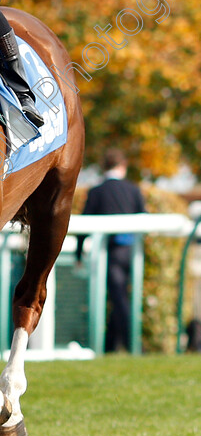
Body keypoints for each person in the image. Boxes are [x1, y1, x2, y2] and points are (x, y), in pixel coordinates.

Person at [76, 149, 145, 352]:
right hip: (132, 253)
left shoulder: (97, 191)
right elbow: (145, 218)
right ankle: (111, 346)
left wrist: (79, 254)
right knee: (120, 296)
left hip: (111, 254)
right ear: (122, 166)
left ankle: (133, 345)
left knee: (118, 299)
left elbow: (84, 225)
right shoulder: (133, 190)